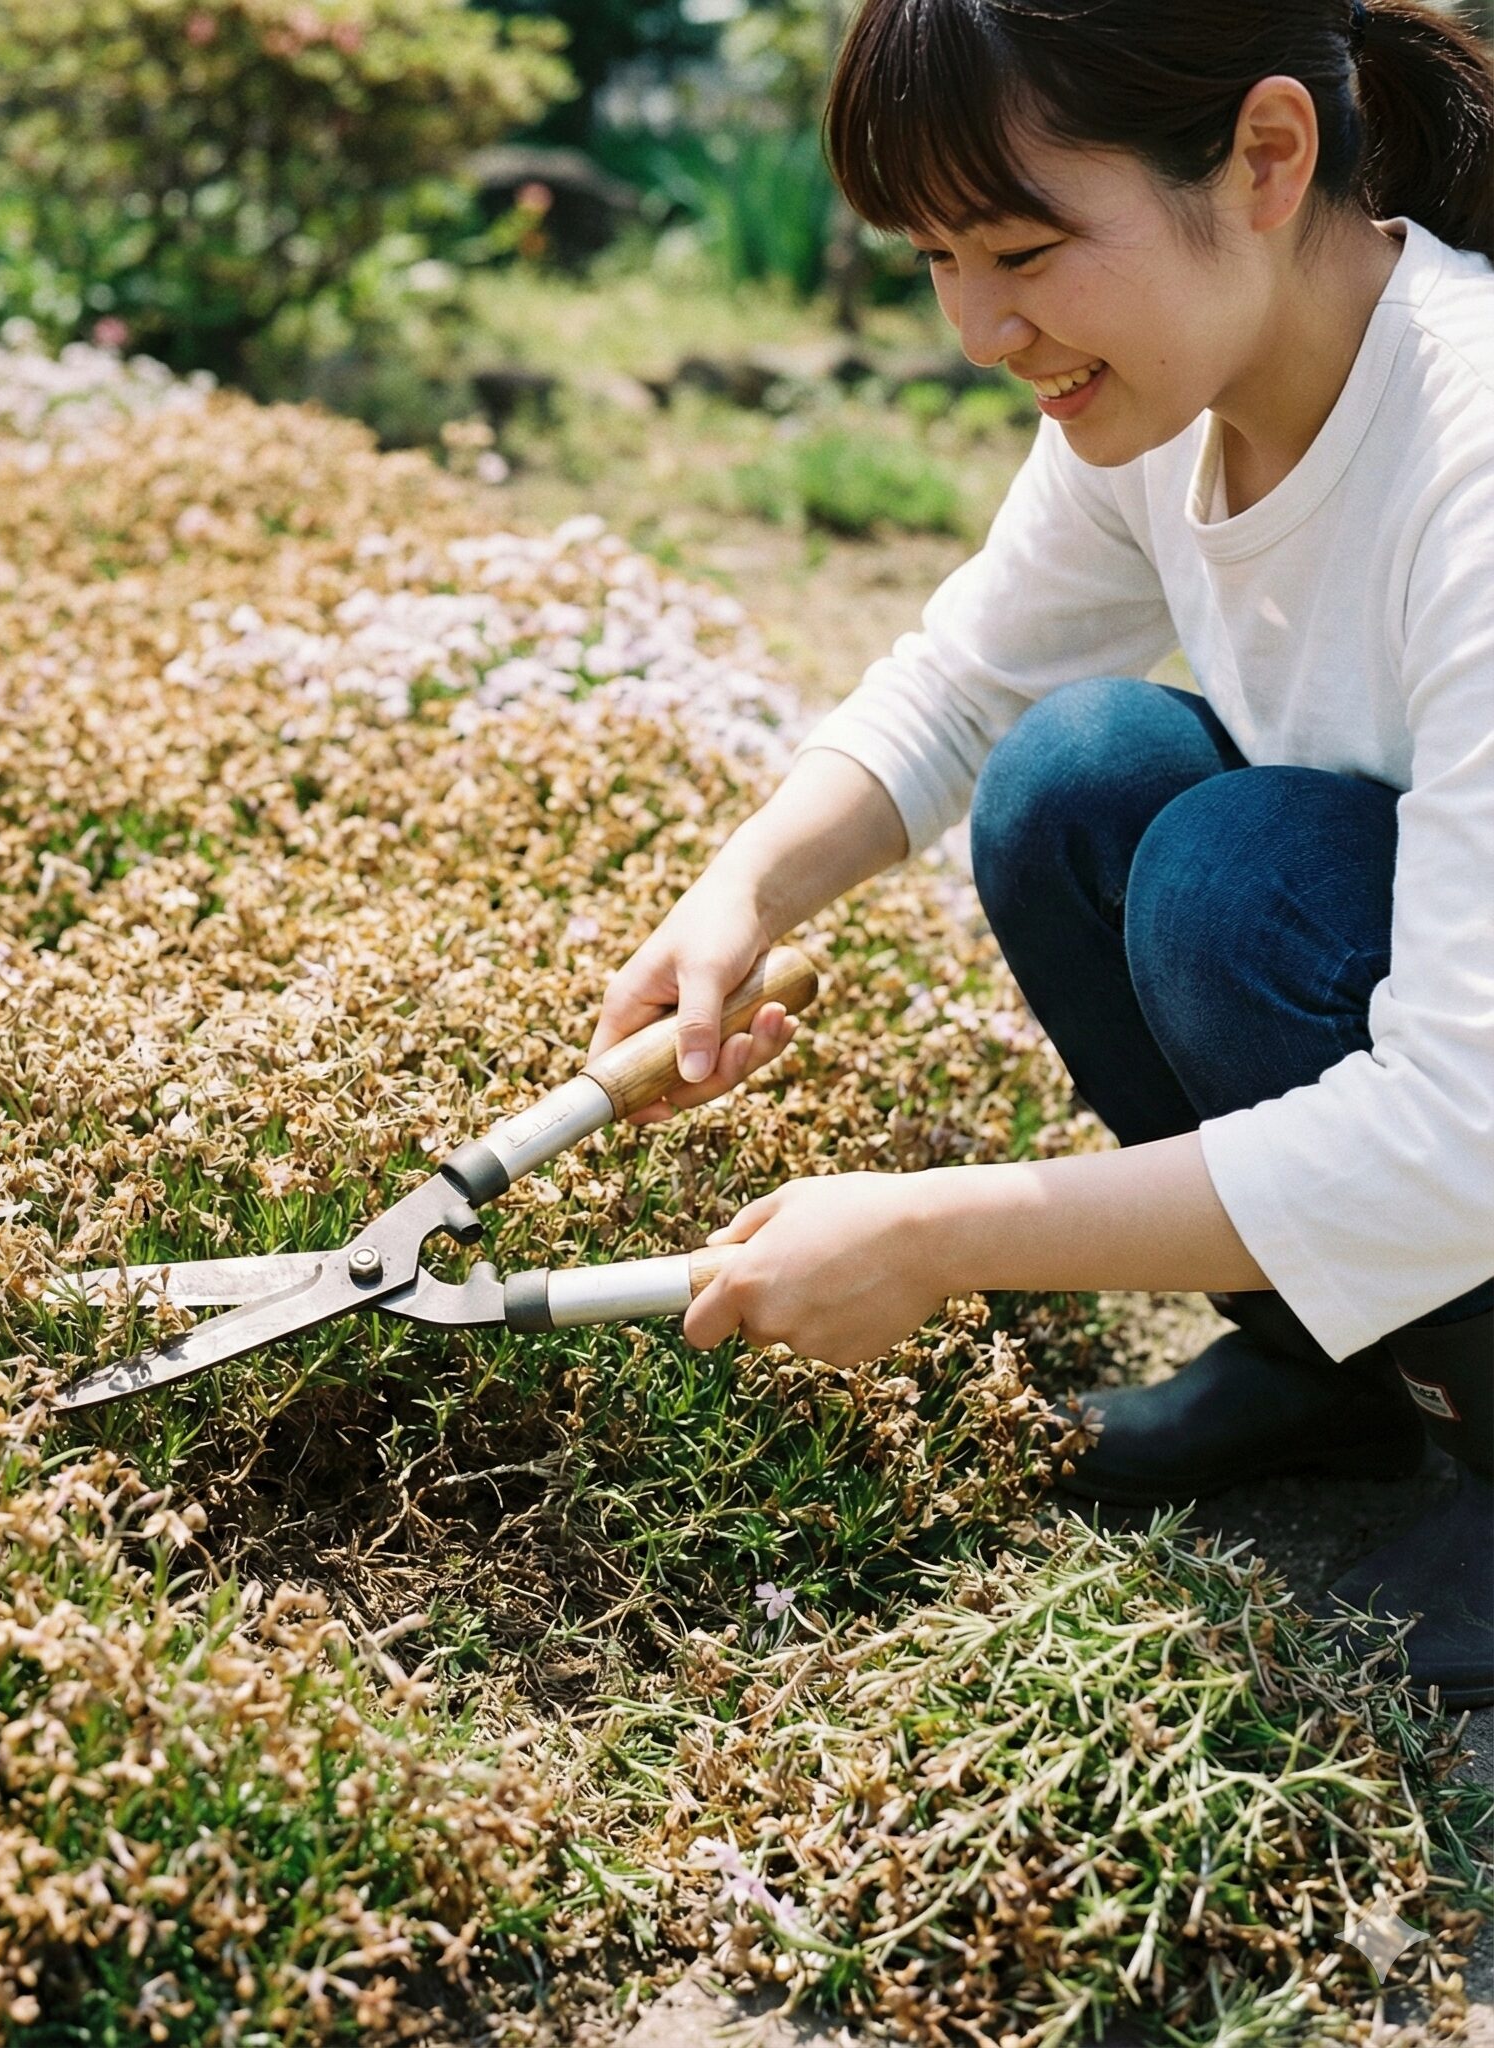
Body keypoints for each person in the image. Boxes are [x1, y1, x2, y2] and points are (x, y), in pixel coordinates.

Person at [587, 0, 1494, 1704]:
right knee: (1075, 773)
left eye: (1020, 245)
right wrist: (740, 892)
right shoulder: (1169, 398)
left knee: (1233, 872)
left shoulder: (1476, 453)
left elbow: (1470, 1136)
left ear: (1269, 158)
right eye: (937, 254)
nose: (977, 325)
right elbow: (958, 684)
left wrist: (939, 1233)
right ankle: (1336, 1369)